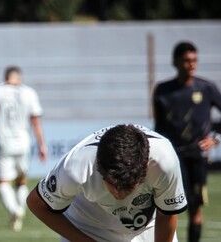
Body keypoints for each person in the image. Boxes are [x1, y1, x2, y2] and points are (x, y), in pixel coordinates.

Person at [27, 124, 188, 242]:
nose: (119, 194)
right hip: (89, 226)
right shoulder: (75, 168)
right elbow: (36, 203)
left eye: (128, 186)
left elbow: (167, 214)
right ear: (99, 166)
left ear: (145, 167)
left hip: (147, 226)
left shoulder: (165, 163)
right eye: (112, 184)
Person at [152, 41, 221, 242]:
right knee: (165, 206)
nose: (191, 65)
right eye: (186, 60)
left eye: (194, 60)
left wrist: (215, 138)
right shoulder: (163, 90)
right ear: (175, 62)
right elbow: (159, 126)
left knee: (195, 208)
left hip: (196, 156)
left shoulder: (207, 88)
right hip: (170, 156)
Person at [0, 66, 48, 231]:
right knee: (21, 181)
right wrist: (42, 144)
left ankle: (15, 210)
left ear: (6, 77)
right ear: (19, 77)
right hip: (23, 143)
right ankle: (19, 212)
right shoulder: (29, 93)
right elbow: (35, 121)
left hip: (3, 143)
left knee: (3, 182)